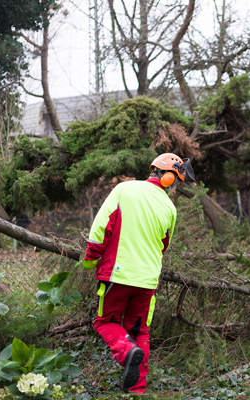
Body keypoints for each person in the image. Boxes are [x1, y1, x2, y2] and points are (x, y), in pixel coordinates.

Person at [77, 153, 195, 393]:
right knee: (139, 330)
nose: (174, 188)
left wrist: (89, 260)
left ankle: (127, 351)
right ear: (168, 177)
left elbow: (101, 228)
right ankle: (137, 388)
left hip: (116, 275)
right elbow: (163, 244)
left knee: (105, 322)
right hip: (148, 281)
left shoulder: (124, 190)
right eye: (175, 183)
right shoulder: (170, 209)